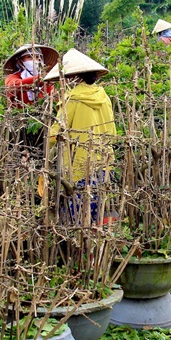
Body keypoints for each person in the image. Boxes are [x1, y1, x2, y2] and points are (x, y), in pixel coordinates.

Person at [44, 48, 116, 223]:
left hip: (79, 167)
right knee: (100, 214)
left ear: (75, 77)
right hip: (104, 162)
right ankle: (100, 248)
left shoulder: (72, 98)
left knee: (77, 218)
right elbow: (112, 132)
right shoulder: (103, 96)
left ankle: (80, 249)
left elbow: (55, 133)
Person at [3, 44, 59, 108]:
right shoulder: (12, 77)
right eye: (29, 57)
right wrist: (42, 79)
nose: (35, 60)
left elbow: (51, 99)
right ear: (20, 61)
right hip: (20, 115)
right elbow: (14, 85)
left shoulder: (49, 81)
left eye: (38, 57)